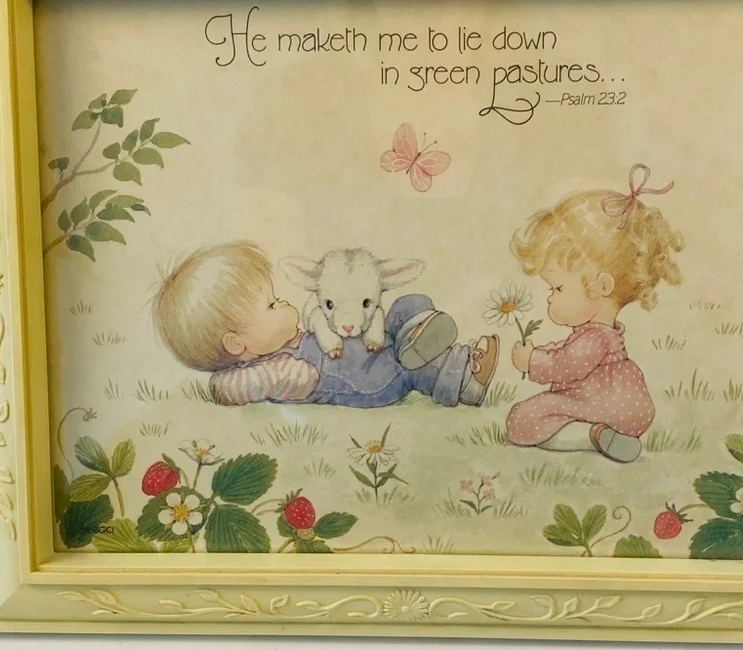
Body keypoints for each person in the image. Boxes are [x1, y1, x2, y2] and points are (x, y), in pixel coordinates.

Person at [152, 241, 498, 408]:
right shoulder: (273, 370)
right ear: (236, 343)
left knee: (404, 307)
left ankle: (419, 327)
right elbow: (244, 385)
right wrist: (225, 386)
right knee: (405, 367)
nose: (284, 304)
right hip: (365, 379)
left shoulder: (287, 343)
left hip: (365, 348)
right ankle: (465, 378)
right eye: (272, 305)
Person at [505, 165, 683, 461]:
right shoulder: (603, 335)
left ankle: (592, 436)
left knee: (521, 420)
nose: (550, 297)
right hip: (626, 406)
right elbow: (567, 353)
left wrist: (531, 361)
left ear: (601, 286)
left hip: (595, 402)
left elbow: (566, 365)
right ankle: (610, 436)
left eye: (558, 287)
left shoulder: (594, 339)